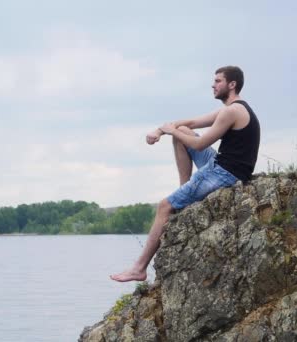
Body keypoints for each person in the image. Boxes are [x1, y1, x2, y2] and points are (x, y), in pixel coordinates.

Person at [110, 66, 260, 282]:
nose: (213, 85)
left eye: (218, 81)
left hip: (225, 174)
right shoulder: (232, 109)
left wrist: (171, 130)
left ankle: (139, 269)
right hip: (221, 164)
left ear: (232, 84)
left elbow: (200, 144)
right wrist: (161, 130)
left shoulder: (232, 111)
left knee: (164, 206)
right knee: (182, 134)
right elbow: (189, 123)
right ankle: (184, 191)